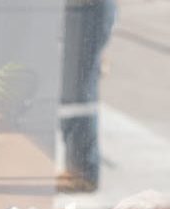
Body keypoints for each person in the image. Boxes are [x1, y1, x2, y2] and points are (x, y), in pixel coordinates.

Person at [58, 0, 117, 192]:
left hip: (87, 8)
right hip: (84, 8)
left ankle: (83, 171)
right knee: (76, 91)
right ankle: (78, 167)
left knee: (79, 95)